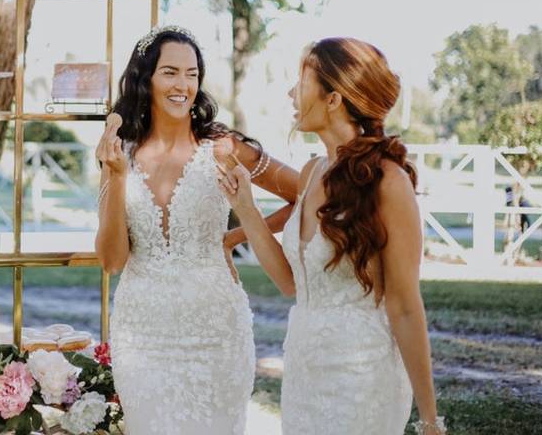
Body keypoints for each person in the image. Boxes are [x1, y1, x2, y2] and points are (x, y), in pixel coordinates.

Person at [218, 37, 444, 435]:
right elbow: (291, 283)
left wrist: (429, 420)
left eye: (300, 83)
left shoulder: (388, 182)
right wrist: (246, 209)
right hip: (304, 371)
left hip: (362, 377)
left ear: (334, 98)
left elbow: (406, 307)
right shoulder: (310, 173)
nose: (291, 93)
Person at [95, 25, 297, 434]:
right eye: (170, 72)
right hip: (142, 336)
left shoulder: (224, 148)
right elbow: (112, 260)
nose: (182, 85)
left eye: (191, 74)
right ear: (145, 78)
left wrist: (235, 236)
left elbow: (307, 193)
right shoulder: (120, 153)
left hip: (216, 332)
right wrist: (116, 177)